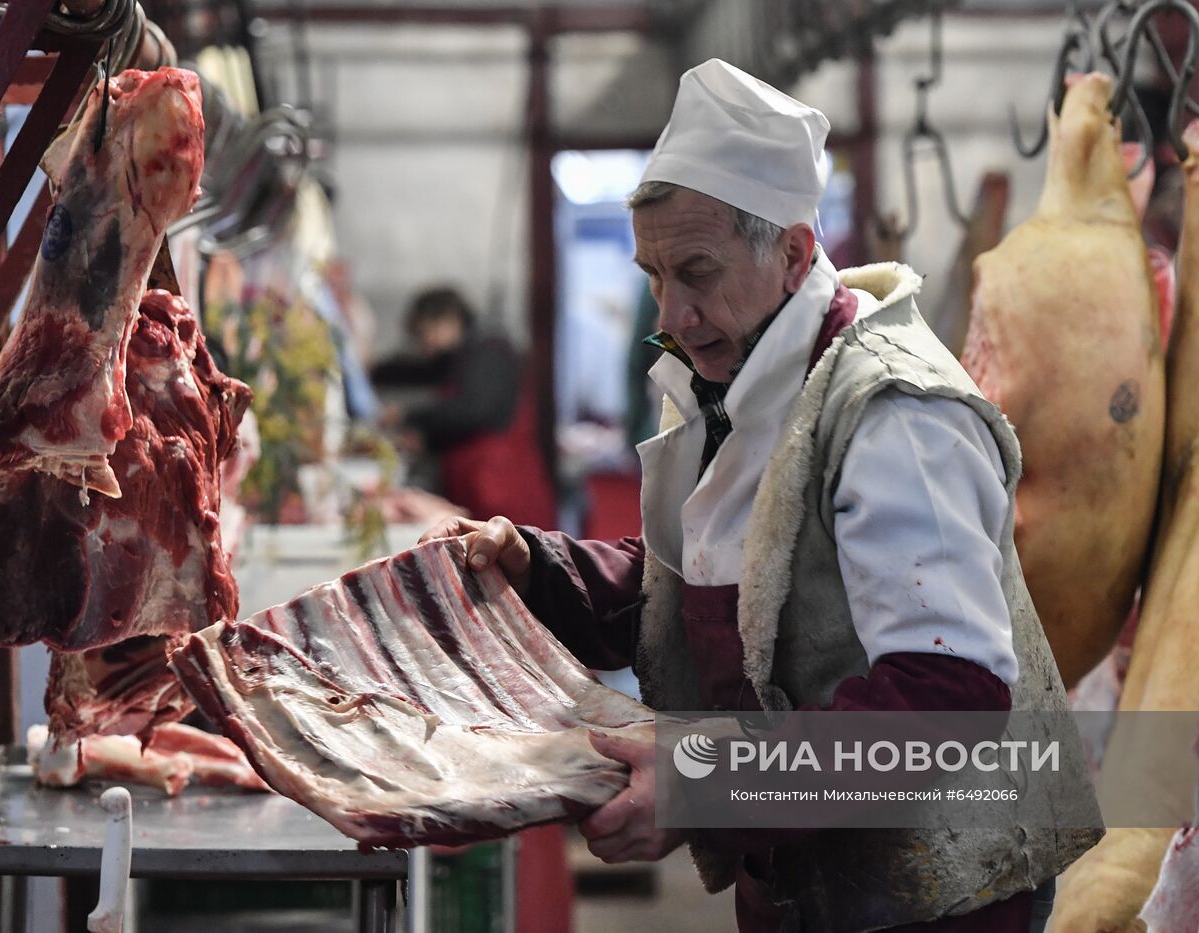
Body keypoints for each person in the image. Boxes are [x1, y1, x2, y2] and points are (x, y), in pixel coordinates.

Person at [426, 59, 1097, 931]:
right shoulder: (748, 384)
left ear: (793, 250)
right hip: (811, 887)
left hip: (935, 902)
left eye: (697, 273)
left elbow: (946, 697)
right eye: (655, 276)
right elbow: (722, 596)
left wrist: (702, 783)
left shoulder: (893, 415)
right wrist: (539, 568)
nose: (673, 312)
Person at [373, 287, 555, 527]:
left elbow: (475, 411)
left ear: (446, 320)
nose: (426, 346)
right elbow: (419, 370)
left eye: (423, 333)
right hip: (480, 484)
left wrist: (410, 418)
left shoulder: (489, 349)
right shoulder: (466, 351)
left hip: (500, 486)